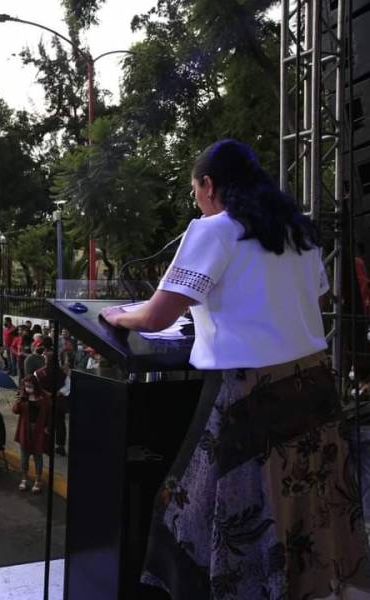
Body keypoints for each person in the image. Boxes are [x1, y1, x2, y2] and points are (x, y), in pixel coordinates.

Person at [100, 139, 370, 598]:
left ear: (210, 185)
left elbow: (158, 316)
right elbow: (316, 301)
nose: (196, 201)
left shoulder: (214, 230)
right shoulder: (296, 231)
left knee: (210, 513)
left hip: (250, 398)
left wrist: (117, 317)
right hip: (313, 390)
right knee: (305, 506)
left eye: (195, 191)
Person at [12, 375, 51, 494]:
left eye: (30, 386)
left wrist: (48, 427)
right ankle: (24, 478)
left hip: (39, 430)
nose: (28, 388)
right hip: (25, 429)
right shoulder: (23, 396)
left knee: (38, 456)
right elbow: (15, 411)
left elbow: (49, 413)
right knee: (24, 456)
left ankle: (38, 479)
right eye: (26, 386)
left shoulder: (44, 397)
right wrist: (18, 402)